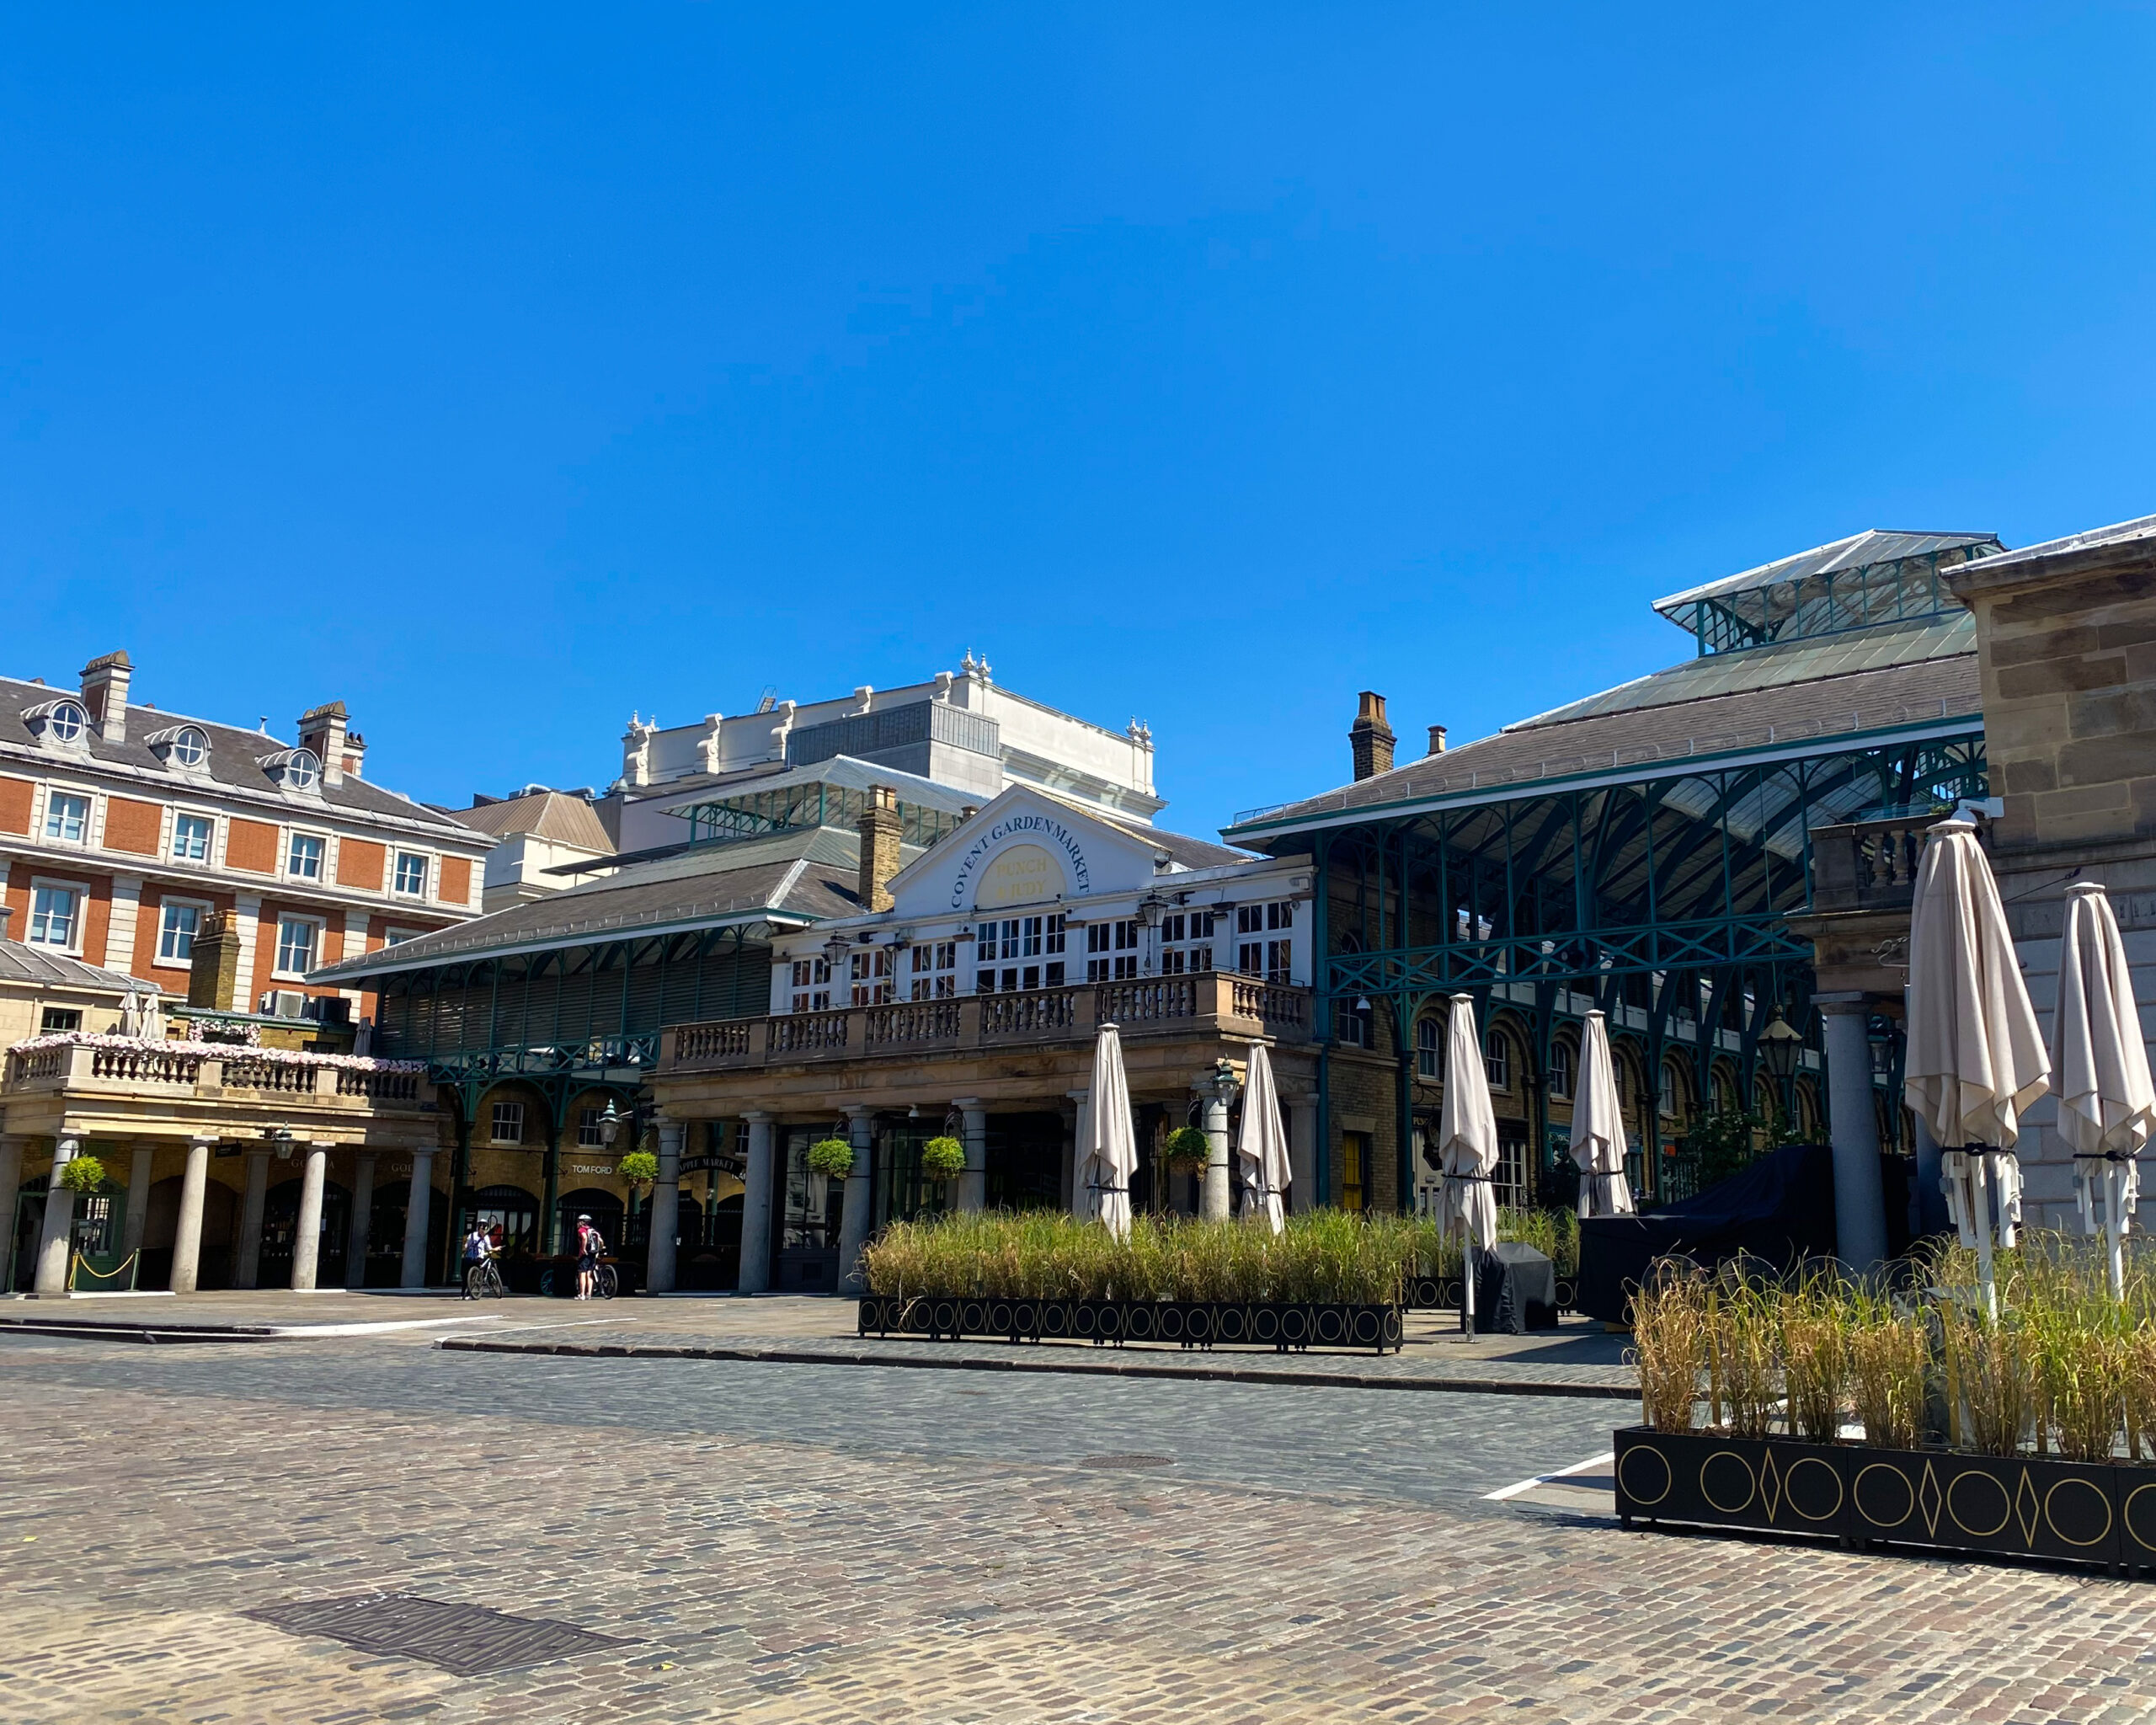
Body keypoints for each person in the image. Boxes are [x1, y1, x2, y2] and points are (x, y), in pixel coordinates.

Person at [461, 1221, 494, 1299]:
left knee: (466, 1276)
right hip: (478, 1259)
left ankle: (462, 1294)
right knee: (474, 1276)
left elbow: (466, 1246)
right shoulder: (486, 1237)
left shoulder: (471, 1235)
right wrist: (495, 1249)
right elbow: (489, 1248)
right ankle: (469, 1294)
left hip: (469, 1257)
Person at [574, 1212, 604, 1300]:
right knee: (590, 1274)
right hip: (593, 1254)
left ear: (581, 1222)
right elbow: (601, 1240)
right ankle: (589, 1294)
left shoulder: (581, 1230)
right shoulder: (592, 1230)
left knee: (582, 1274)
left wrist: (583, 1249)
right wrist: (598, 1250)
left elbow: (584, 1238)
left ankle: (582, 1294)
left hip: (585, 1254)